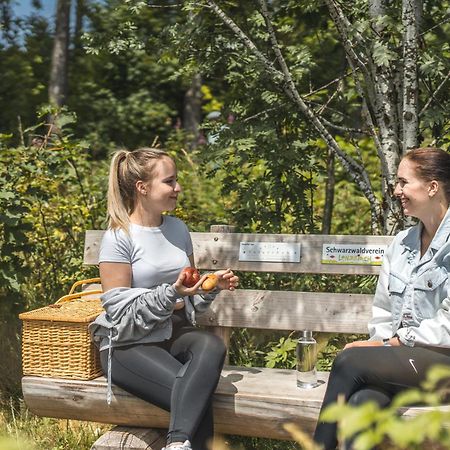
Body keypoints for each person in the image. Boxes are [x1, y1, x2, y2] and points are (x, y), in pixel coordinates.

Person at [89, 147, 239, 450]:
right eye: (169, 181)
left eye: (177, 180)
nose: (178, 188)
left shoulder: (178, 229)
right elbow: (119, 310)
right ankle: (179, 442)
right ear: (142, 188)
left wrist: (208, 288)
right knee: (194, 397)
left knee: (210, 345)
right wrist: (172, 293)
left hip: (173, 331)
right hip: (129, 343)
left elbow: (189, 295)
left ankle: (176, 444)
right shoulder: (119, 237)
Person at [313, 147, 450, 450]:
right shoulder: (401, 244)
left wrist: (392, 344)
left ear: (432, 187)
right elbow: (384, 312)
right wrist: (383, 344)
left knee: (350, 360)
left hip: (445, 365)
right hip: (407, 365)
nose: (397, 191)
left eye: (404, 183)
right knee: (364, 401)